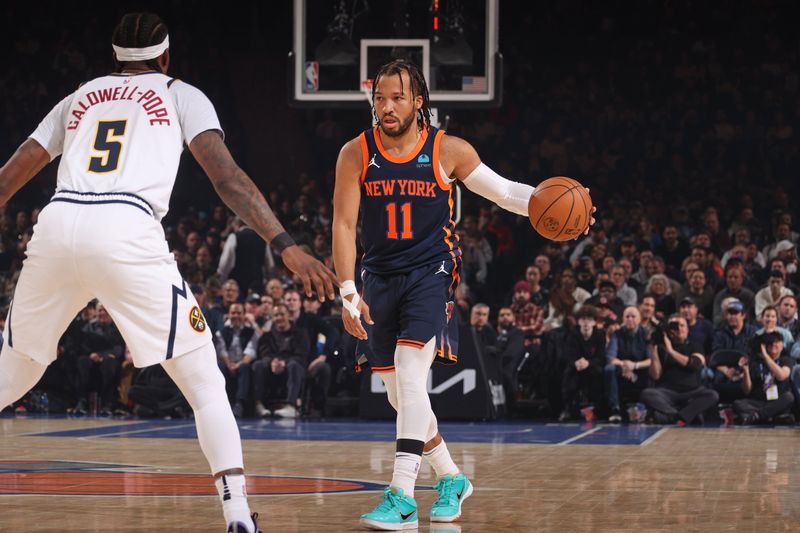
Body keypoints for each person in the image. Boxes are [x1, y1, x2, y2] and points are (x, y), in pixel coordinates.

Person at [0, 12, 338, 533]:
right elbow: (227, 179)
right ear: (165, 58)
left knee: (17, 368)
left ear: (115, 60)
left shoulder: (80, 95)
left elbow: (14, 171)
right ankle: (237, 516)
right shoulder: (182, 93)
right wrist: (286, 245)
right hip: (126, 227)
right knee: (204, 384)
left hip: (57, 223)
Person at [332, 59, 593, 529]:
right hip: (378, 278)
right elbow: (344, 225)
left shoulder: (447, 149)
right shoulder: (355, 153)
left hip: (430, 274)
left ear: (418, 102)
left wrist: (564, 212)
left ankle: (401, 494)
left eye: (396, 98)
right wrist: (348, 291)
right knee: (399, 395)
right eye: (379, 98)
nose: (386, 107)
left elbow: (506, 193)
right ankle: (451, 477)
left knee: (412, 379)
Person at [641, 315, 718, 425]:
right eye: (674, 326)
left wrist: (671, 351)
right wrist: (653, 350)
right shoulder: (662, 348)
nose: (679, 329)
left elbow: (695, 364)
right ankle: (680, 416)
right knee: (647, 393)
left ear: (687, 329)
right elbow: (655, 375)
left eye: (682, 325)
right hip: (667, 393)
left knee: (712, 395)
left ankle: (670, 416)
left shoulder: (695, 346)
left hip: (692, 392)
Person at [734, 332, 795, 424]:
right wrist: (746, 370)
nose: (774, 344)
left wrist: (766, 356)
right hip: (760, 402)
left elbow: (781, 376)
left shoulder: (786, 360)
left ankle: (757, 416)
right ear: (765, 346)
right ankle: (770, 417)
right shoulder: (755, 363)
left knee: (789, 397)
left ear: (782, 345)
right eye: (771, 343)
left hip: (777, 401)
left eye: (777, 342)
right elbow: (747, 390)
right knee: (738, 404)